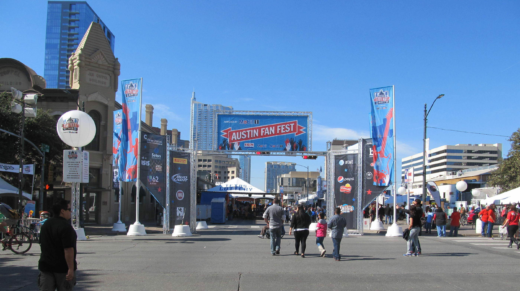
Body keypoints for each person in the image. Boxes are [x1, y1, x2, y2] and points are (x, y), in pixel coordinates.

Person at [38, 199, 77, 290]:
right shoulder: (66, 227)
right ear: (62, 211)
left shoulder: (46, 225)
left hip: (46, 267)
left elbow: (42, 244)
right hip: (63, 269)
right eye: (69, 209)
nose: (70, 212)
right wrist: (71, 269)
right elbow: (68, 249)